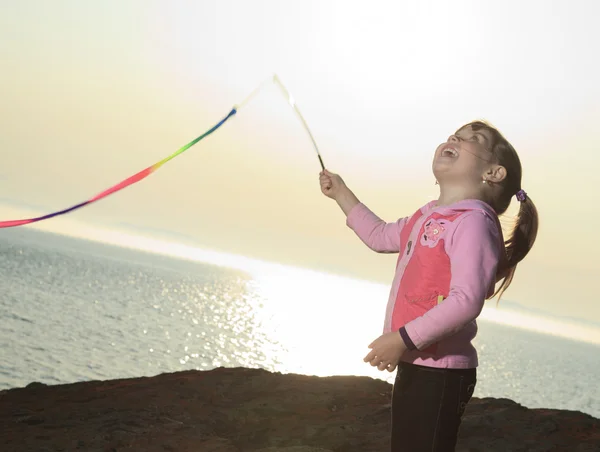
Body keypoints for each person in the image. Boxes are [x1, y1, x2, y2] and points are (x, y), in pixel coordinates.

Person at [319, 121, 539, 452]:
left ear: (494, 173)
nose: (456, 138)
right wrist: (341, 193)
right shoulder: (429, 216)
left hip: (442, 372)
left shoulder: (473, 222)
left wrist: (402, 338)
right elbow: (379, 235)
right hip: (419, 362)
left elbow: (466, 301)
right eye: (455, 134)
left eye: (473, 139)